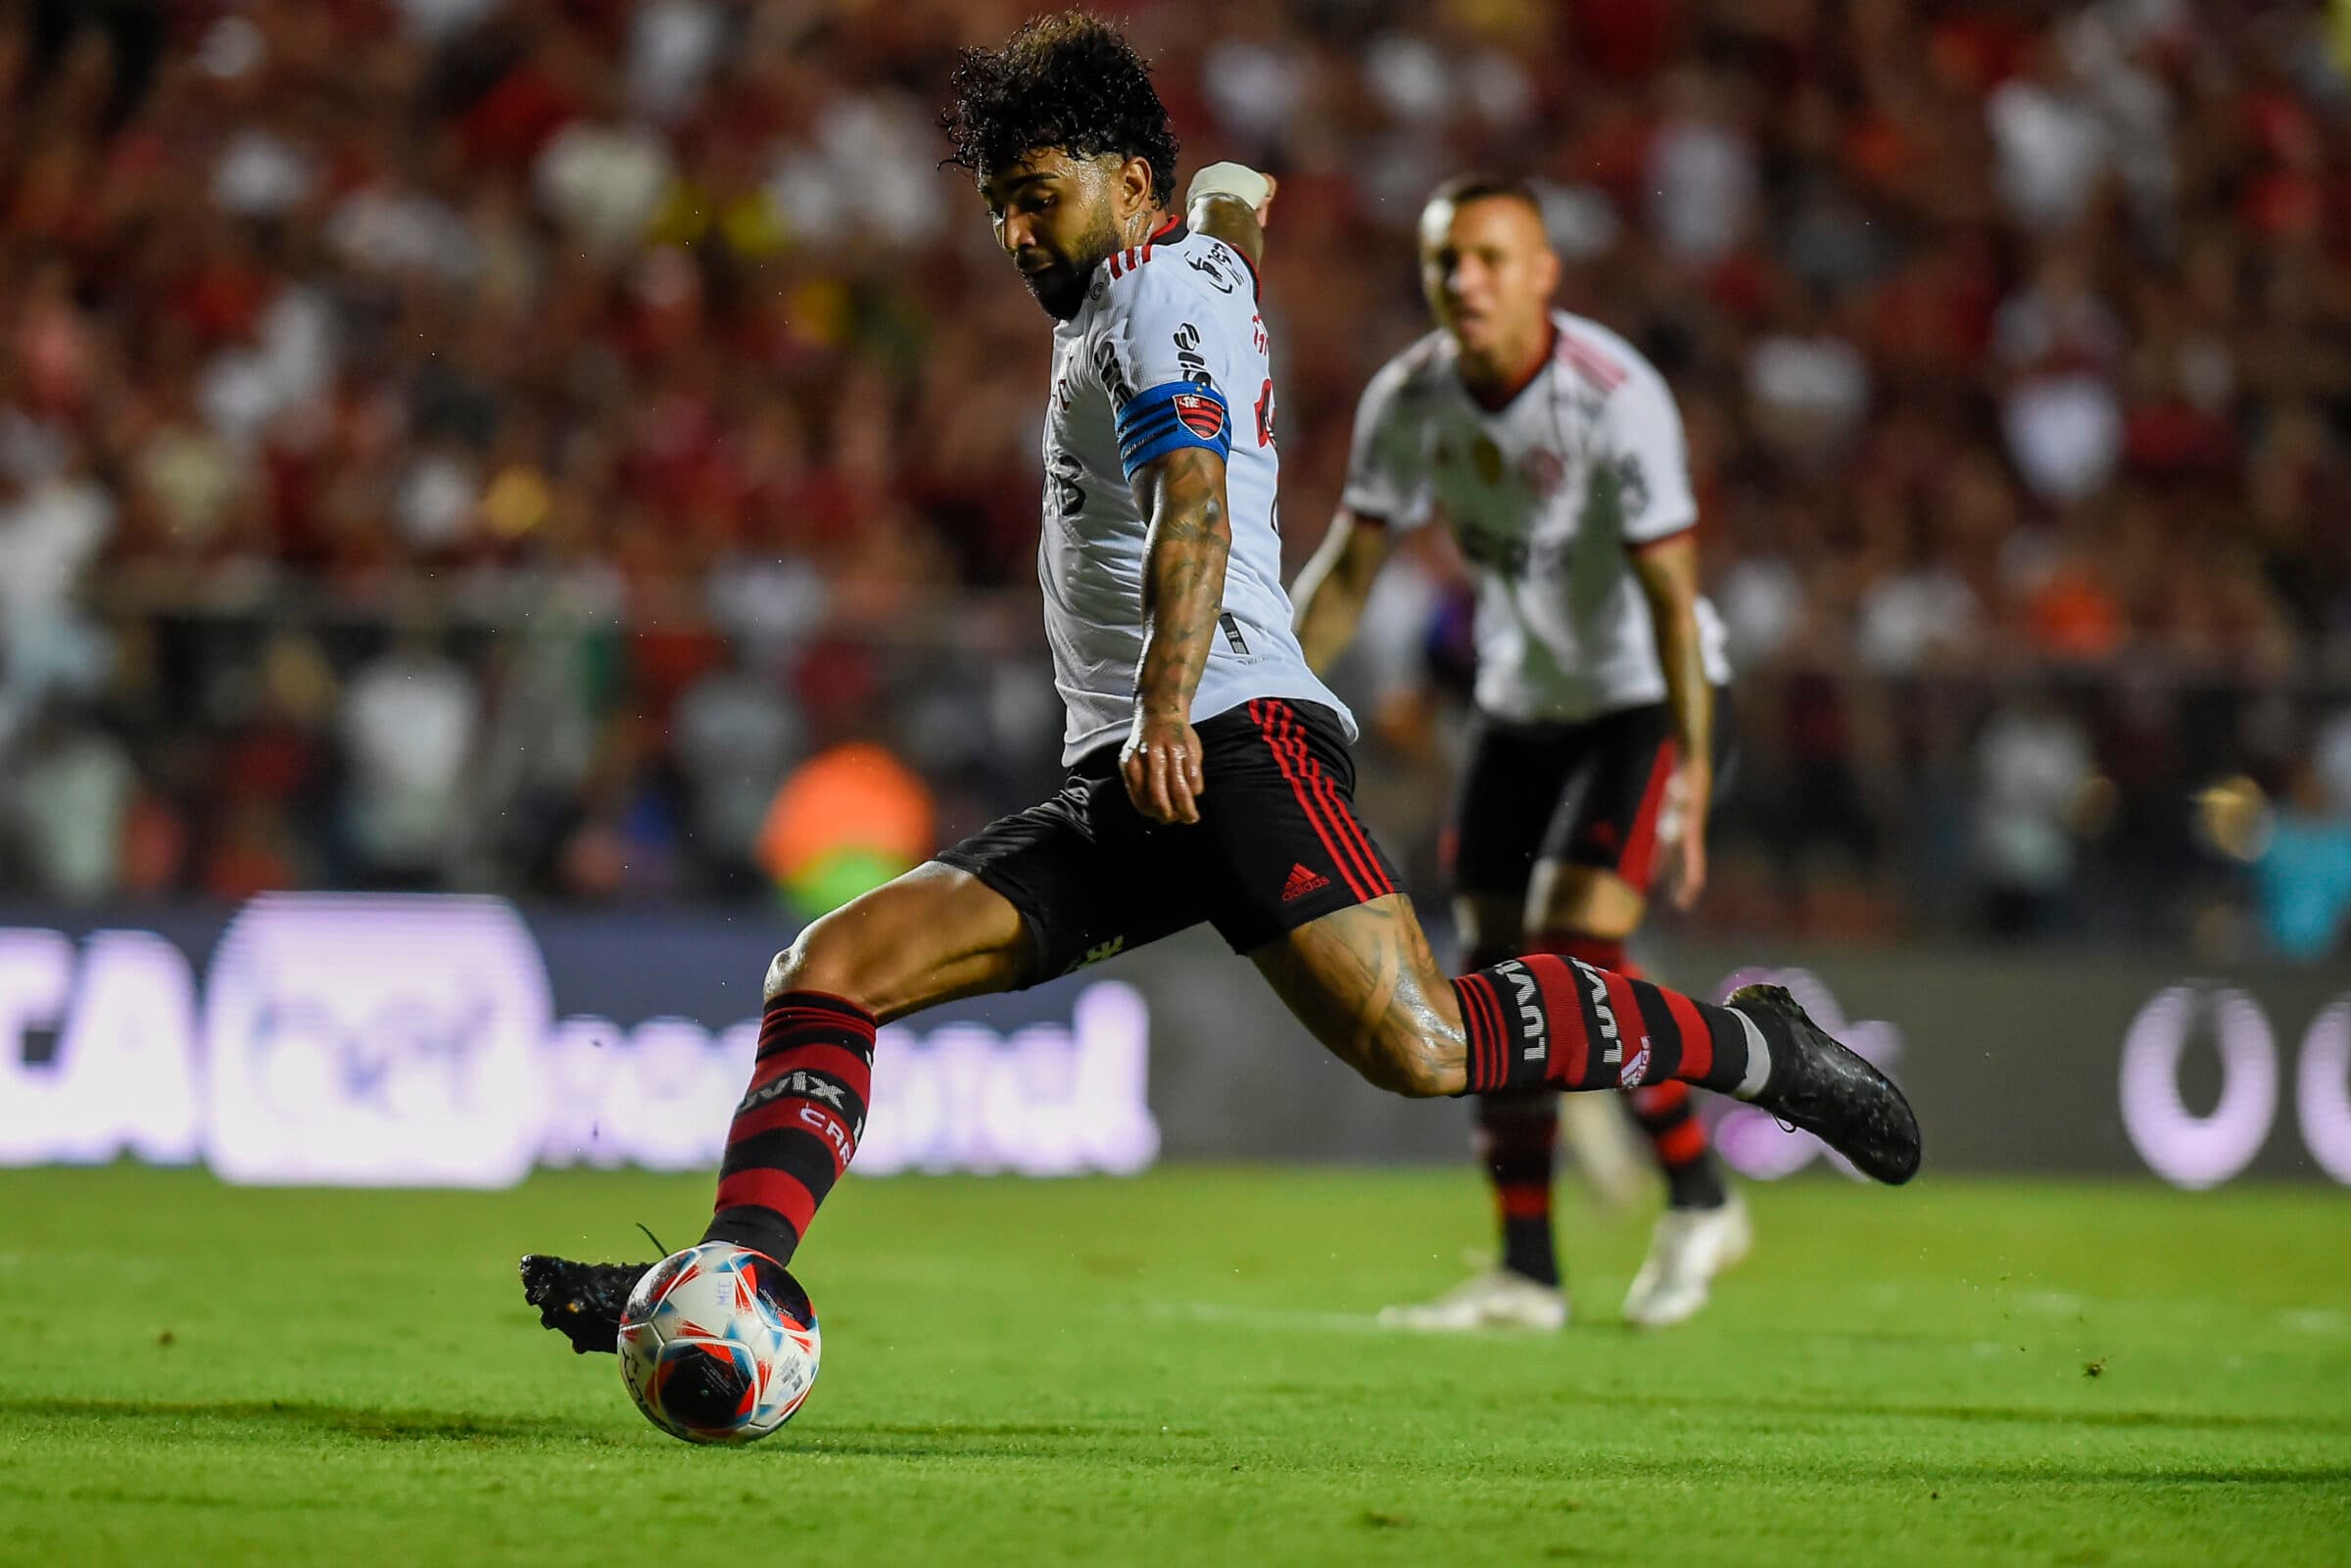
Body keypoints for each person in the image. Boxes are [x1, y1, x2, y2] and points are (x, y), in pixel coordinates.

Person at [520, 11, 1917, 1358]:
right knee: (824, 972)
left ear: (1131, 189)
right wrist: (1234, 204)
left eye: (1039, 197)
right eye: (1001, 204)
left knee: (1427, 1045)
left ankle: (1758, 1051)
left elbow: (1194, 500)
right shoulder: (1182, 275)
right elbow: (1230, 242)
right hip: (1130, 769)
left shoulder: (1158, 295)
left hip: (1231, 731)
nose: (1016, 232)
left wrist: (1173, 706)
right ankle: (726, 1279)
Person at [1291, 175, 1747, 1330]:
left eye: (1494, 258)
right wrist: (1260, 695)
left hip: (1644, 696)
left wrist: (1687, 769)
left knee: (1576, 948)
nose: (1469, 281)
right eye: (1449, 261)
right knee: (1494, 977)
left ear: (1545, 272)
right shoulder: (1412, 397)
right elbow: (1349, 568)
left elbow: (1671, 597)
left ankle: (1699, 1191)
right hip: (1518, 701)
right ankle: (1528, 1271)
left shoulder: (1614, 398)